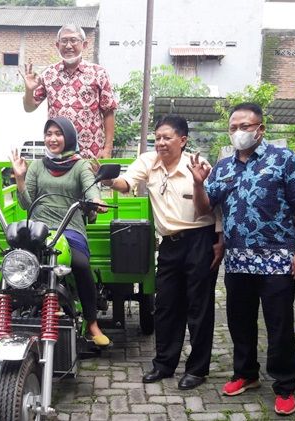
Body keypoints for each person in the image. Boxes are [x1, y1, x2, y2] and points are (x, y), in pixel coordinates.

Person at [190, 102, 295, 416]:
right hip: (238, 261)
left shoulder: (284, 160)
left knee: (279, 324)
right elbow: (205, 208)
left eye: (245, 126)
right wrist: (197, 182)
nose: (238, 133)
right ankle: (245, 374)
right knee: (239, 321)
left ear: (261, 129)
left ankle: (285, 386)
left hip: (278, 260)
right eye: (233, 127)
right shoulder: (224, 166)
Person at [103, 114, 224, 390]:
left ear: (182, 140)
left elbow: (218, 207)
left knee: (199, 308)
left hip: (200, 240)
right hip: (169, 243)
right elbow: (126, 183)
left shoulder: (200, 165)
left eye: (167, 137)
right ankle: (164, 364)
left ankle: (197, 369)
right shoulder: (149, 161)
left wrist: (220, 239)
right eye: (157, 137)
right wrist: (108, 180)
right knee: (166, 307)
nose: (160, 142)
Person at [9, 116, 110, 346]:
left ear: (69, 137)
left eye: (58, 133)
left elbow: (90, 187)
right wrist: (20, 177)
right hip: (39, 228)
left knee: (82, 266)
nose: (52, 138)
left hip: (70, 227)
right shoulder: (36, 166)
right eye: (49, 134)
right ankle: (4, 323)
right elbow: (26, 204)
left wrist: (96, 200)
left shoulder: (80, 165)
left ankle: (92, 322)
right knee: (15, 261)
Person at [21, 24, 117, 159]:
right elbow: (29, 108)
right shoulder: (49, 74)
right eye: (64, 41)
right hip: (58, 153)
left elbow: (109, 111)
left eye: (73, 40)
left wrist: (107, 148)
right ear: (57, 45)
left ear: (84, 44)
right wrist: (29, 90)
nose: (68, 46)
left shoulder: (98, 73)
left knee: (90, 181)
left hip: (90, 152)